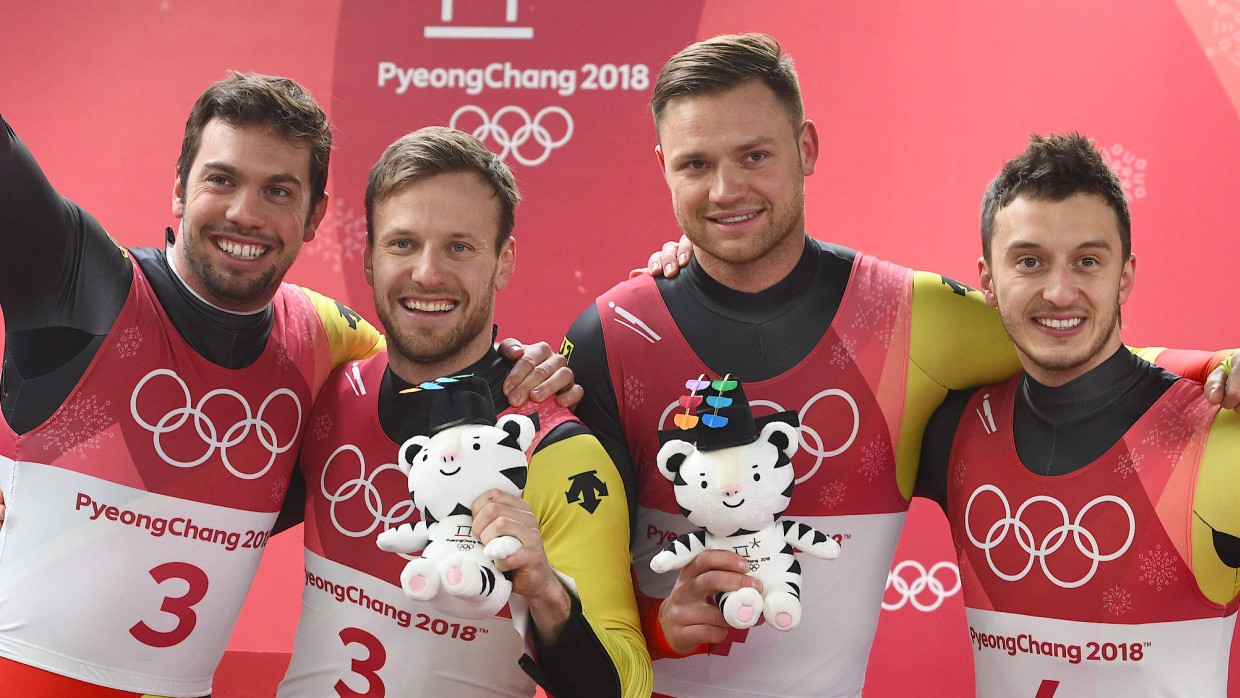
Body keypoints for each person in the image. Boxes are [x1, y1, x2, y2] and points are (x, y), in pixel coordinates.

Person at [562, 33, 1235, 697]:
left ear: (806, 149)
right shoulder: (612, 336)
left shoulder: (910, 315)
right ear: (662, 167)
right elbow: (569, 605)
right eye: (695, 165)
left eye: (754, 155)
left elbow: (1068, 342)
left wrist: (1213, 368)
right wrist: (658, 622)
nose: (726, 188)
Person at [0, 73, 571, 697]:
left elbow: (429, 355)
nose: (246, 213)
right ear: (179, 187)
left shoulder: (325, 334)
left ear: (315, 216)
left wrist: (525, 373)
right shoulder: (86, 286)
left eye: (278, 190)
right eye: (221, 179)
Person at [276, 127, 651, 697]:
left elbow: (629, 684)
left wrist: (548, 593)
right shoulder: (330, 387)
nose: (427, 273)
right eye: (402, 243)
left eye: (460, 246)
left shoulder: (557, 449)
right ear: (369, 258)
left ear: (504, 262)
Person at [915, 133, 1239, 697]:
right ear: (988, 282)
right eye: (1030, 261)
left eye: (1087, 261)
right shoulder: (950, 428)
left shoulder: (1216, 429)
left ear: (1126, 275)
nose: (1060, 292)